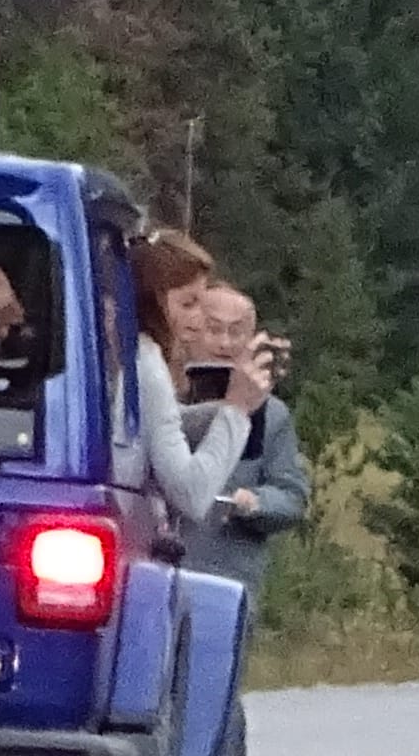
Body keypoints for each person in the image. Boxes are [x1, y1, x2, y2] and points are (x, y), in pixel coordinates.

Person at [170, 280, 307, 594]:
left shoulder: (271, 413)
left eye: (237, 332)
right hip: (158, 563)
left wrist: (256, 503)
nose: (225, 343)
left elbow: (293, 496)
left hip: (227, 578)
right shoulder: (158, 397)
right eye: (213, 328)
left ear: (252, 339)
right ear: (188, 329)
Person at [119, 226, 252, 533]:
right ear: (153, 299)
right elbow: (190, 493)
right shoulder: (148, 364)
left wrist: (214, 413)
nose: (199, 318)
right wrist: (237, 409)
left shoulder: (125, 353)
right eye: (187, 304)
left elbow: (156, 421)